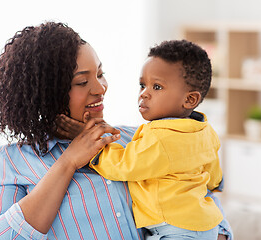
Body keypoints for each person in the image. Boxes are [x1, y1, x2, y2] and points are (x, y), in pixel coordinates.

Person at [0, 21, 232, 240]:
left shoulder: (137, 138)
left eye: (100, 74)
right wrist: (68, 161)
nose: (100, 88)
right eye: (82, 81)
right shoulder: (13, 161)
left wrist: (218, 232)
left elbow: (199, 194)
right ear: (46, 93)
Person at [68, 40, 231, 239]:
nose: (144, 94)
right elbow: (212, 173)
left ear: (189, 99)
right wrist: (216, 184)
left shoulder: (159, 138)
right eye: (142, 85)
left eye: (157, 87)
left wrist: (94, 146)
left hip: (177, 229)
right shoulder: (205, 131)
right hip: (204, 225)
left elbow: (124, 165)